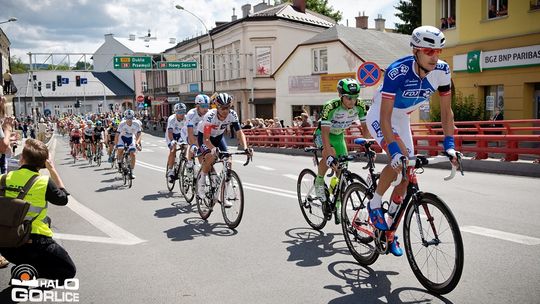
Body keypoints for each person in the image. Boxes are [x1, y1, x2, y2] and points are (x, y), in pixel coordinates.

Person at [365, 25, 459, 256]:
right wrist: (394, 150)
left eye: (438, 52)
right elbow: (385, 117)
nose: (434, 57)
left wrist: (450, 145)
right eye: (429, 51)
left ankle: (389, 230)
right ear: (416, 51)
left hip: (402, 117)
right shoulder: (397, 71)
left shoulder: (443, 71)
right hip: (381, 114)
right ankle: (375, 203)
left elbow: (447, 113)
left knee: (407, 177)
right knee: (400, 160)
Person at [0, 139, 75, 283]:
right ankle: (26, 272)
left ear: (21, 158)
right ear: (43, 163)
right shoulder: (43, 182)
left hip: (5, 242)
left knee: (47, 221)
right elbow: (63, 199)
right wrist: (52, 169)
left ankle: (24, 266)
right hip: (34, 241)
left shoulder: (3, 179)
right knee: (68, 271)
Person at [313, 78, 369, 211]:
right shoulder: (331, 106)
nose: (352, 101)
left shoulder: (360, 105)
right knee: (330, 155)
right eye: (349, 98)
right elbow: (325, 132)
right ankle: (319, 181)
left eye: (355, 97)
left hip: (338, 136)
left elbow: (365, 128)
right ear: (340, 95)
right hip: (323, 134)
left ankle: (337, 201)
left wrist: (367, 147)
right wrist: (328, 154)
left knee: (342, 169)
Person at [196, 93, 253, 205]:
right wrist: (212, 149)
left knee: (229, 161)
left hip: (219, 137)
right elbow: (206, 139)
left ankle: (224, 195)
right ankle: (201, 183)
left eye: (227, 107)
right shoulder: (210, 116)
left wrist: (246, 147)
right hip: (204, 138)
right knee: (209, 157)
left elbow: (239, 132)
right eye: (222, 108)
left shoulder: (232, 114)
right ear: (217, 107)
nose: (225, 110)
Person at [185, 94, 210, 172]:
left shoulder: (209, 113)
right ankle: (189, 163)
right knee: (195, 143)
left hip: (200, 134)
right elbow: (190, 133)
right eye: (203, 106)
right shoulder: (191, 114)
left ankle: (202, 169)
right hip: (190, 132)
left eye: (207, 106)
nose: (206, 109)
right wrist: (193, 145)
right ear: (197, 106)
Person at [115, 109, 142, 179]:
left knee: (133, 153)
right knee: (120, 149)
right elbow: (117, 135)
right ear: (125, 118)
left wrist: (137, 143)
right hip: (122, 137)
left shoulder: (136, 123)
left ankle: (132, 171)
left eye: (130, 119)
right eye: (127, 118)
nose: (129, 120)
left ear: (133, 118)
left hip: (131, 137)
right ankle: (119, 161)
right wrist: (116, 144)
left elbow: (139, 134)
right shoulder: (122, 124)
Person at [166, 103, 188, 183]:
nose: (181, 114)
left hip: (181, 135)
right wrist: (172, 141)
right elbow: (170, 133)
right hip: (172, 135)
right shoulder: (172, 119)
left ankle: (183, 162)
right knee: (173, 149)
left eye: (183, 112)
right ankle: (170, 170)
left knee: (186, 147)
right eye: (179, 112)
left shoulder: (187, 118)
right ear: (175, 112)